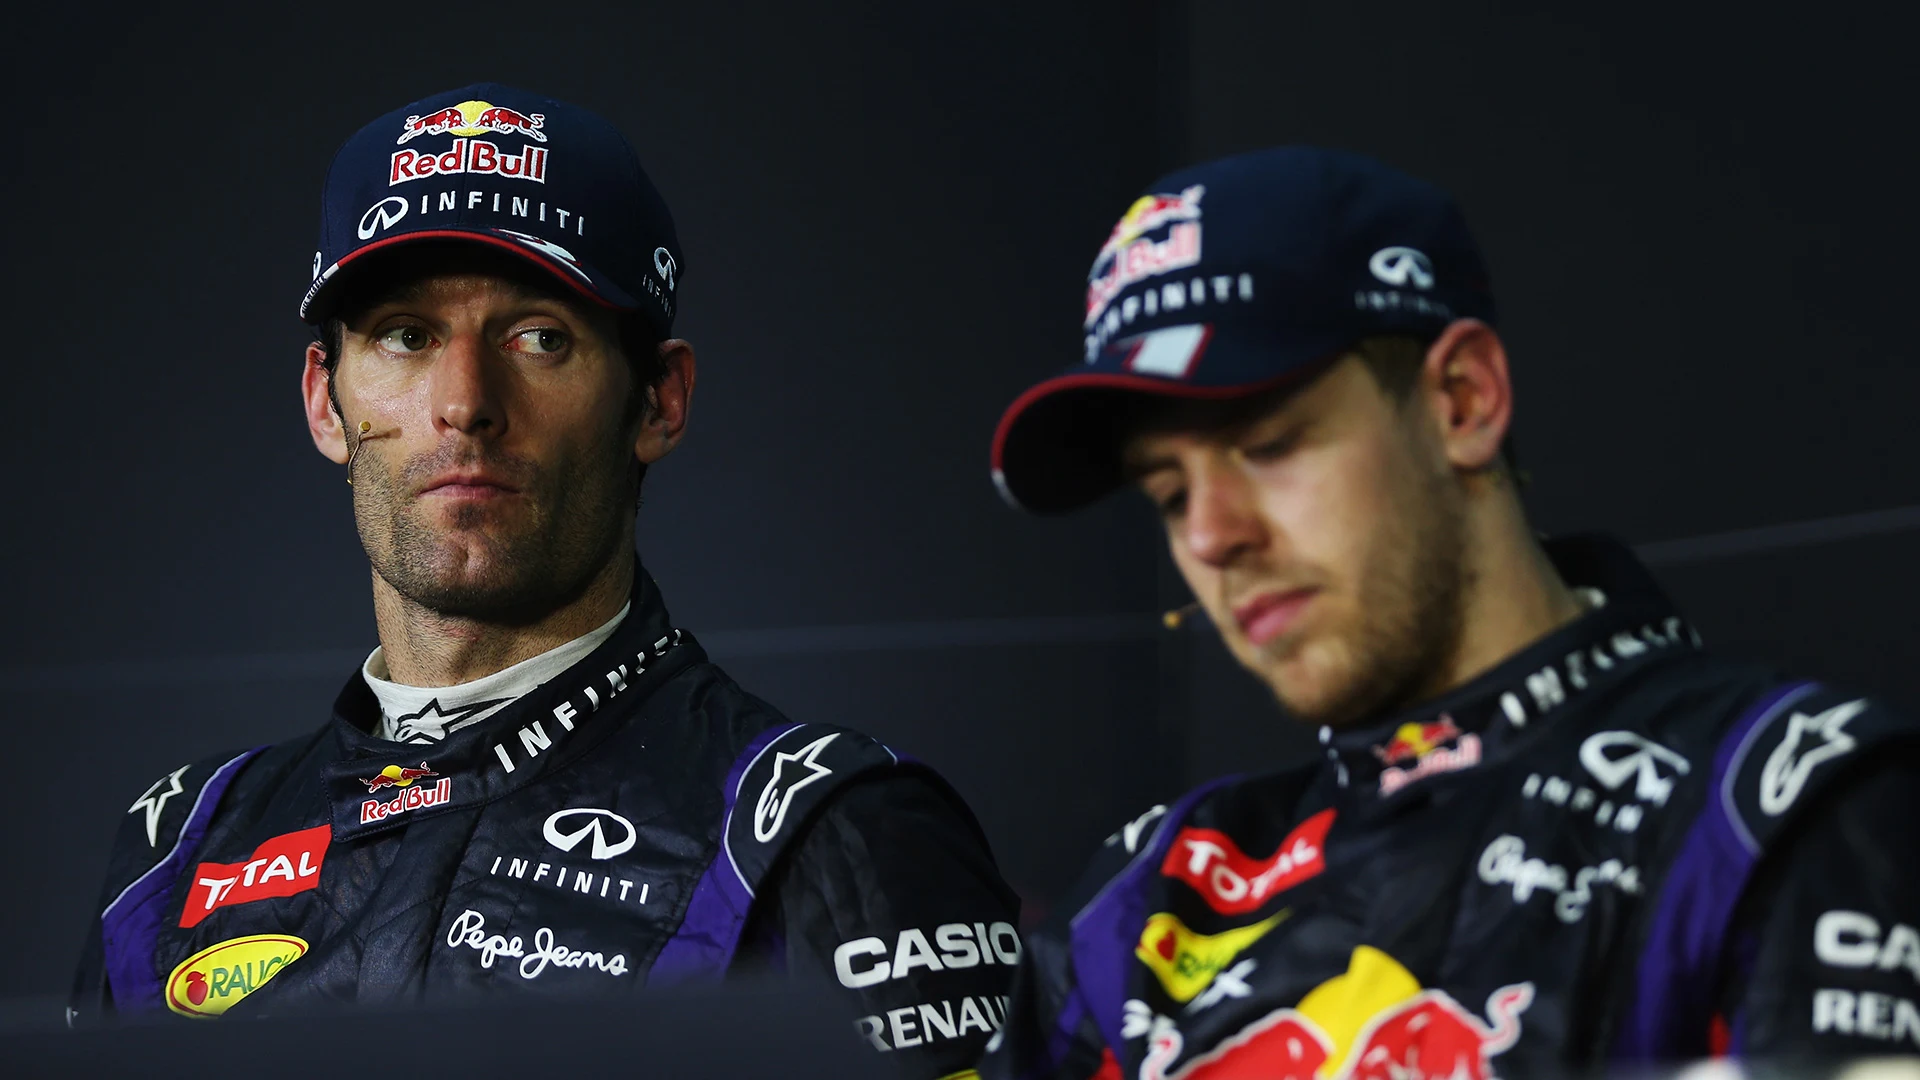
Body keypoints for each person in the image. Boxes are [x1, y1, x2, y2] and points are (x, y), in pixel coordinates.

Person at [70, 84, 1018, 1078]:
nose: (466, 404)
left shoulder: (822, 831)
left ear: (659, 400)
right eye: (405, 334)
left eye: (539, 338)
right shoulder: (177, 850)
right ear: (324, 401)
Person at [976, 147, 1920, 1078]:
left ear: (1464, 401)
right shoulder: (1149, 895)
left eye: (1266, 444)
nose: (1212, 536)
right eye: (1169, 494)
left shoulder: (1782, 801)